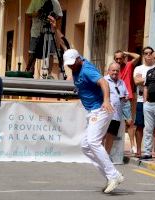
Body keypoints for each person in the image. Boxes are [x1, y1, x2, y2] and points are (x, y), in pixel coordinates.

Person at [63, 49, 124, 193]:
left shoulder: (86, 70)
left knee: (93, 142)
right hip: (93, 111)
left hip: (101, 108)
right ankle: (112, 175)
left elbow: (103, 82)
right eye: (69, 64)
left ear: (79, 59)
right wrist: (56, 30)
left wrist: (106, 100)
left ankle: (113, 175)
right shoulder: (78, 61)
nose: (71, 66)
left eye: (73, 63)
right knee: (85, 146)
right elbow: (65, 44)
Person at [25, 0, 63, 79]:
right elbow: (28, 14)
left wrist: (53, 16)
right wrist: (38, 13)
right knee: (32, 53)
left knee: (51, 53)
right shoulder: (35, 1)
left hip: (50, 31)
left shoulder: (55, 2)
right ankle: (30, 73)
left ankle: (48, 74)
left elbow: (60, 15)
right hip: (36, 32)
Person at [133, 46, 155, 158]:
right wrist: (152, 78)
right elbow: (136, 81)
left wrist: (144, 79)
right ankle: (139, 149)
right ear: (143, 55)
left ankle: (153, 150)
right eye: (146, 53)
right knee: (139, 126)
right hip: (140, 100)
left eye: (150, 53)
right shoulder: (138, 68)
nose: (148, 55)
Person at [114, 50, 140, 154]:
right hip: (115, 99)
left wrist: (126, 53)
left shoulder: (128, 65)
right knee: (114, 122)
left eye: (121, 58)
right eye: (117, 59)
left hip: (126, 98)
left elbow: (138, 56)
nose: (119, 60)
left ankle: (132, 145)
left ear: (124, 58)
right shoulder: (113, 69)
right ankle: (114, 145)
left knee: (129, 122)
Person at [103, 62, 128, 154]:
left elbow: (126, 95)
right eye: (113, 70)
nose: (115, 72)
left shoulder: (122, 82)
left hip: (116, 114)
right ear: (108, 71)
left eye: (117, 70)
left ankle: (106, 155)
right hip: (105, 113)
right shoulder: (104, 80)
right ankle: (100, 156)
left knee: (111, 135)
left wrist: (125, 98)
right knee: (102, 135)